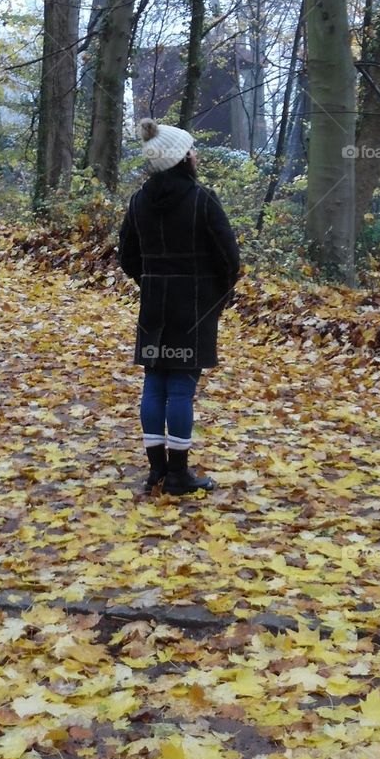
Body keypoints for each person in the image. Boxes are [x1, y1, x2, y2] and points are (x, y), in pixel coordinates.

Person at [118, 118, 241, 495]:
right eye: (191, 149)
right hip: (194, 307)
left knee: (155, 383)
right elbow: (230, 258)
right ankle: (178, 475)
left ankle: (157, 470)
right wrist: (214, 296)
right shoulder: (202, 199)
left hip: (155, 305)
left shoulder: (139, 200)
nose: (196, 154)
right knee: (182, 388)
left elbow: (127, 257)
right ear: (180, 158)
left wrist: (152, 281)